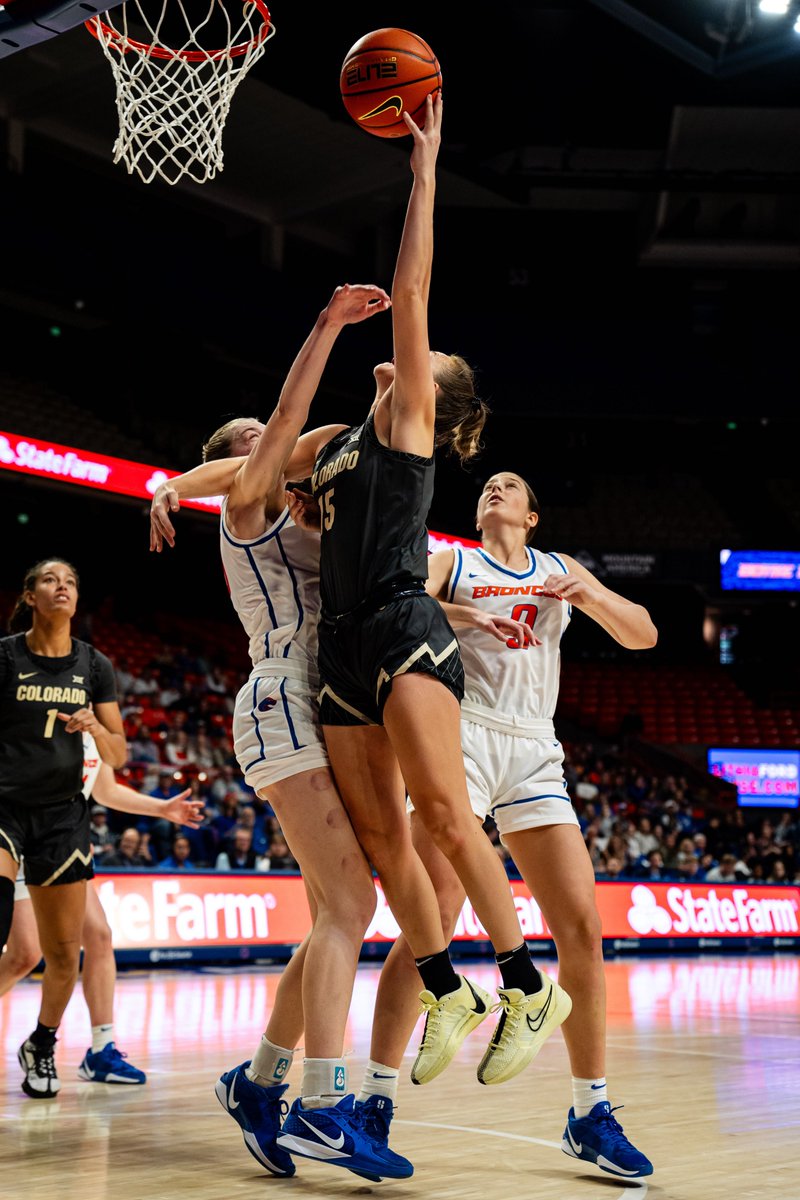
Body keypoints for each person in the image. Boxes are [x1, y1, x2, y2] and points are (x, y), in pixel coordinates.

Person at [292, 94, 571, 1101]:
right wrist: (173, 485)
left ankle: (527, 989)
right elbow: (257, 464)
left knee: (450, 820)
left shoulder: (407, 417)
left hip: (405, 623)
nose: (421, 347)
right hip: (338, 647)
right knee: (384, 845)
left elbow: (410, 289)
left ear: (430, 390)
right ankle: (442, 984)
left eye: (431, 356)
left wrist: (423, 170)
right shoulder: (336, 448)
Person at [151, 278, 416, 1181]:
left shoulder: (309, 514)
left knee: (330, 916)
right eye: (251, 445)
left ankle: (258, 1081)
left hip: (330, 701)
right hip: (281, 698)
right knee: (351, 904)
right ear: (238, 467)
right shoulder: (249, 505)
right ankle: (322, 1099)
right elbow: (293, 420)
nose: (271, 445)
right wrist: (326, 325)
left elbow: (331, 455)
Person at [351, 469, 656, 1179]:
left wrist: (595, 595)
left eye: (510, 485)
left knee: (581, 926)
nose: (496, 489)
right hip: (462, 736)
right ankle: (372, 1100)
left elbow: (643, 636)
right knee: (435, 914)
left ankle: (590, 1113)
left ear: (533, 515)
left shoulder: (557, 568)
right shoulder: (455, 560)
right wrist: (468, 618)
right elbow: (398, 607)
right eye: (488, 484)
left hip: (534, 748)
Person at [0, 732, 203, 1085]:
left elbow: (104, 790)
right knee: (24, 955)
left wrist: (161, 808)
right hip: (17, 837)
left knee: (99, 936)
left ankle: (101, 1049)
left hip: (60, 845)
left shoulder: (96, 728)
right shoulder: (33, 706)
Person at [0, 558, 127, 1098]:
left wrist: (95, 725)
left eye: (71, 582)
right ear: (30, 595)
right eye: (51, 580)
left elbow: (118, 752)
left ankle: (42, 1044)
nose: (62, 588)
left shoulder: (94, 666)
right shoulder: (5, 658)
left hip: (62, 817)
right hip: (4, 808)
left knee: (62, 953)